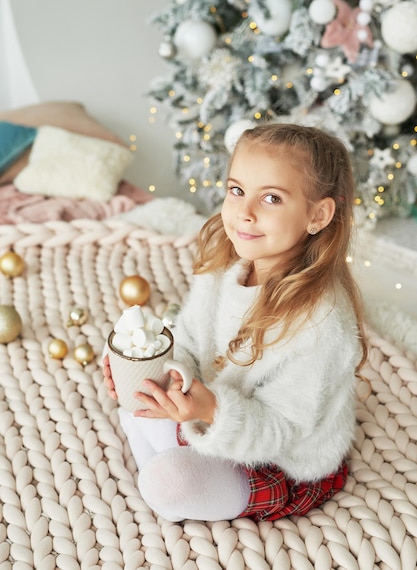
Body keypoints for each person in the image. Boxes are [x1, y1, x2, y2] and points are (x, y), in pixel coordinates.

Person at [102, 122, 368, 523]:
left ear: (317, 214)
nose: (244, 212)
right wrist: (166, 378)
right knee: (134, 393)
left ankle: (172, 480)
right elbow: (190, 337)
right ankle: (171, 459)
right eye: (237, 190)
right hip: (210, 411)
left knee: (169, 482)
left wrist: (210, 412)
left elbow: (283, 427)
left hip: (281, 458)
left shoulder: (322, 322)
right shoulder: (227, 265)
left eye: (272, 198)